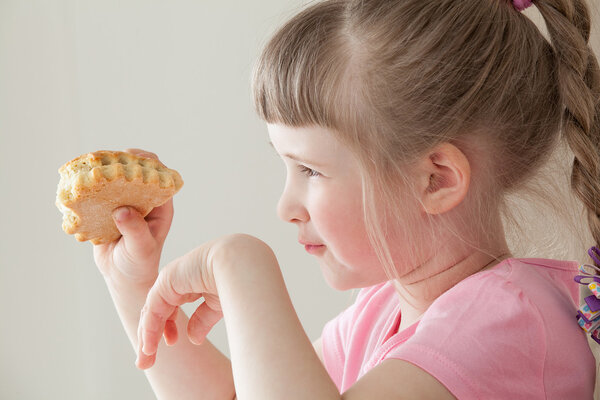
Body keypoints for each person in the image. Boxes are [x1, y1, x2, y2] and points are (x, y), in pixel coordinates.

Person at [93, 0, 600, 398]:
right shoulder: (383, 309)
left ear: (436, 181)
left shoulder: (507, 324)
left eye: (310, 169)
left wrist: (242, 268)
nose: (285, 206)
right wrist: (134, 282)